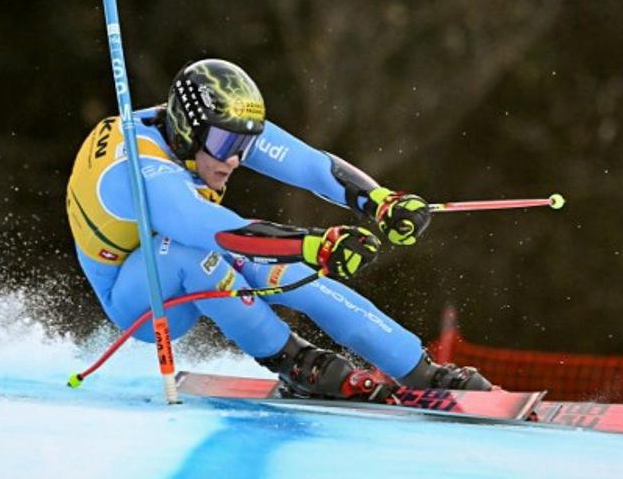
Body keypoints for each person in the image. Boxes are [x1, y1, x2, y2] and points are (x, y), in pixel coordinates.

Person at [65, 58, 491, 400]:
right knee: (192, 252)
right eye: (226, 146)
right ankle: (293, 360)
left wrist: (378, 201)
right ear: (186, 130)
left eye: (243, 145)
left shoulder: (212, 129)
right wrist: (316, 245)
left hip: (192, 253)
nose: (235, 159)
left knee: (284, 271)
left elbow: (309, 164)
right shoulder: (140, 170)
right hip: (141, 304)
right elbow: (216, 230)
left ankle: (418, 370)